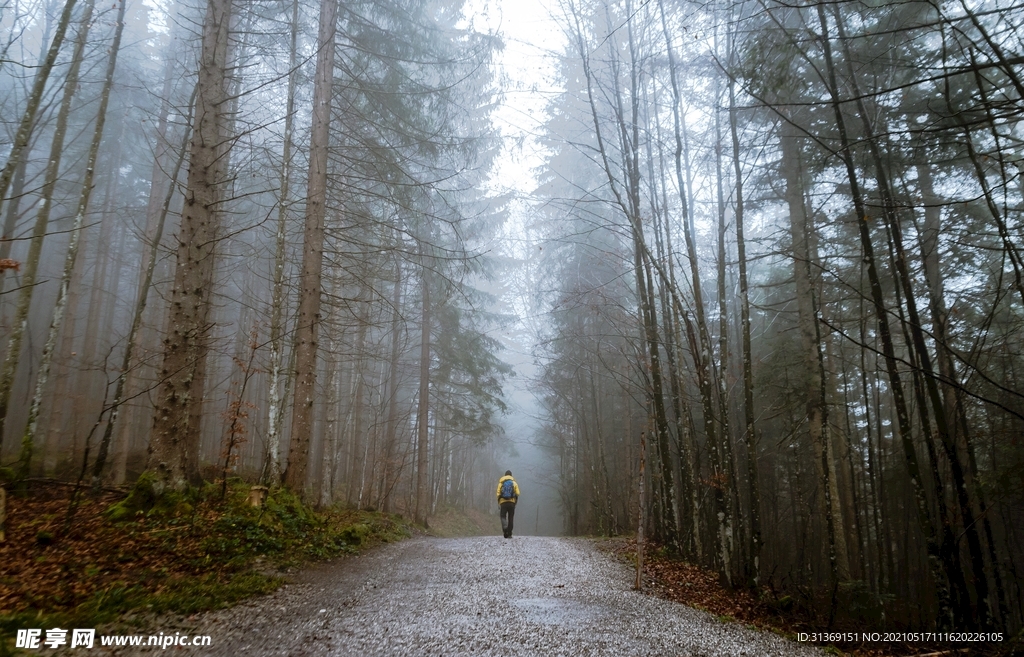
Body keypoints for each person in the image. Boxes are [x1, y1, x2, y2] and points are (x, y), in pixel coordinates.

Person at [496, 470, 520, 538]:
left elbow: (498, 493)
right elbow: (518, 493)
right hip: (512, 502)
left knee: (503, 516)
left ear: (505, 475)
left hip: (503, 503)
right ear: (511, 475)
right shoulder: (514, 483)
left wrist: (501, 498)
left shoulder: (501, 483)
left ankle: (505, 528)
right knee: (511, 517)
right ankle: (509, 533)